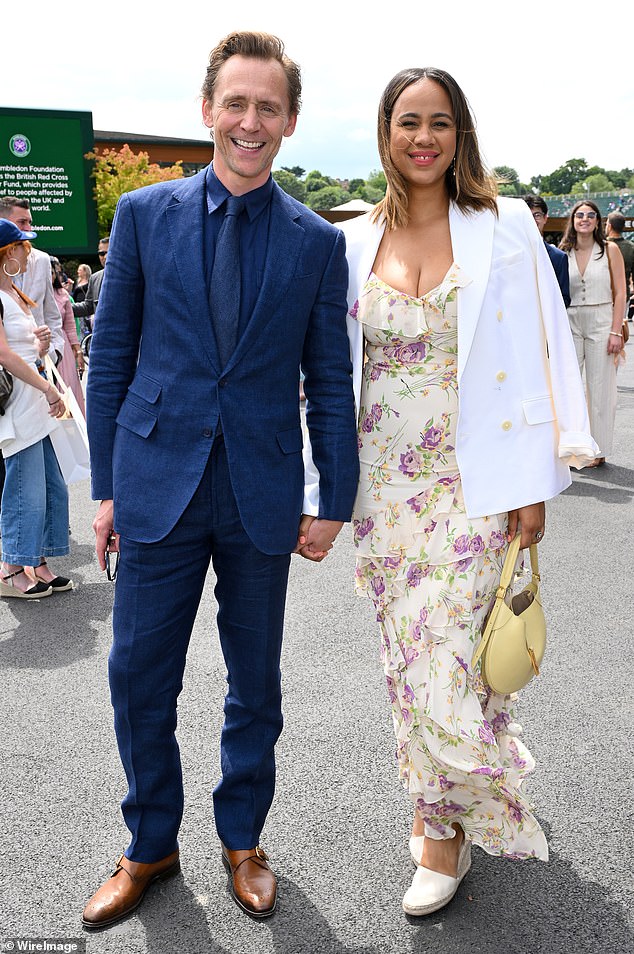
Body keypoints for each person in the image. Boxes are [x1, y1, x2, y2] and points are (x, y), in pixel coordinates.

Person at [301, 66, 597, 917]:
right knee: (412, 664)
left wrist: (543, 479)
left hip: (480, 485)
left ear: (459, 134)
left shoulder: (503, 227)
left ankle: (442, 830)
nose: (423, 137)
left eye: (439, 121)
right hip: (388, 492)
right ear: (384, 134)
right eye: (407, 122)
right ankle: (445, 823)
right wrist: (321, 488)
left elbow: (547, 348)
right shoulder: (349, 241)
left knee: (455, 662)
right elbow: (326, 377)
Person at [82, 30, 358, 930]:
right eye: (235, 103)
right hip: (158, 482)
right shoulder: (144, 217)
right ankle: (150, 843)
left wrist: (334, 498)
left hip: (260, 493)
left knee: (255, 683)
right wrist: (107, 486)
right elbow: (111, 355)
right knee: (136, 676)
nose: (250, 121)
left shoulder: (317, 242)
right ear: (208, 110)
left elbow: (330, 377)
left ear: (289, 121)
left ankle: (243, 838)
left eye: (267, 107)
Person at [0, 220, 71, 598]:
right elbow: (4, 354)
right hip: (21, 404)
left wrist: (41, 345)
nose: (28, 252)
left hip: (34, 403)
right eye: (22, 245)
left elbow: (22, 350)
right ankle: (12, 567)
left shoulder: (13, 293)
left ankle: (38, 561)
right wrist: (47, 388)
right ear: (7, 252)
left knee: (50, 488)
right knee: (26, 488)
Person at [559, 200, 627, 467]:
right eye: (579, 215)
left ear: (599, 221)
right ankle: (572, 447)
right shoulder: (563, 252)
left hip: (602, 320)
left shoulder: (609, 250)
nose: (585, 219)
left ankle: (598, 450)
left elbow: (621, 292)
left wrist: (615, 330)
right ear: (573, 220)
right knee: (569, 388)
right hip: (570, 321)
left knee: (600, 389)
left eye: (590, 215)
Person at [0, 197, 64, 364]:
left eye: (30, 222)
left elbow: (51, 313)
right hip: (8, 376)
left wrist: (55, 352)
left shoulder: (42, 260)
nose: (28, 228)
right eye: (22, 222)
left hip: (42, 364)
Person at [50, 258, 86, 415]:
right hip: (42, 348)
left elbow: (70, 326)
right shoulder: (31, 293)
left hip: (63, 349)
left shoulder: (63, 294)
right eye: (50, 272)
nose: (53, 276)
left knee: (69, 387)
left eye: (56, 272)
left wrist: (78, 353)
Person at [523, 195, 570, 306]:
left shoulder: (558, 257)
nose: (532, 220)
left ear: (545, 218)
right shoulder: (509, 254)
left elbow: (565, 298)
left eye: (537, 215)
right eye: (527, 216)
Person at [71, 237, 109, 333]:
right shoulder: (95, 278)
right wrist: (63, 306)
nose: (105, 257)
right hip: (101, 334)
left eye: (109, 252)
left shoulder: (132, 275)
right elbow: (88, 307)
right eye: (101, 253)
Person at [606, 212, 633, 312]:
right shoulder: (631, 247)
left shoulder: (601, 245)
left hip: (602, 293)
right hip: (623, 294)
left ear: (609, 226)